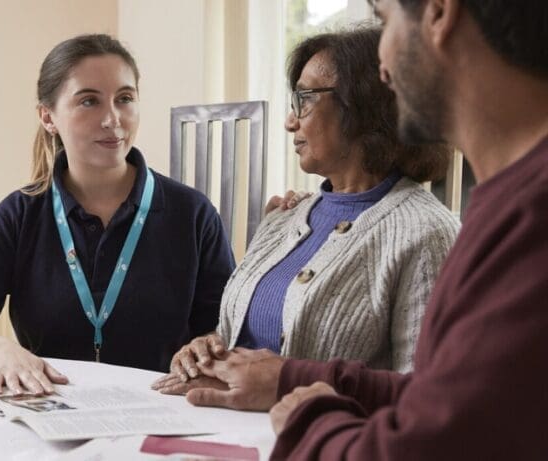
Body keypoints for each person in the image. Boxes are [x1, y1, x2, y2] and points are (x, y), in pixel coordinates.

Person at [157, 0, 548, 459]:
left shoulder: (484, 223)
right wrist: (221, 358)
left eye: (385, 20)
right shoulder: (287, 214)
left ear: (441, 13)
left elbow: (436, 431)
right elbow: (444, 400)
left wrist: (308, 416)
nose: (384, 65)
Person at [0, 34, 235, 396]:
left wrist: (208, 345)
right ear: (48, 117)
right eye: (89, 101)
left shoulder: (192, 214)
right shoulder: (21, 215)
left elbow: (225, 330)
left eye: (125, 99)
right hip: (54, 411)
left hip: (162, 413)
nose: (112, 119)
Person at [152, 27, 459, 395]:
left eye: (304, 99)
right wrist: (205, 350)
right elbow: (244, 335)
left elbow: (430, 397)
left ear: (365, 105)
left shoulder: (427, 233)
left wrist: (286, 384)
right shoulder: (285, 217)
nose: (290, 121)